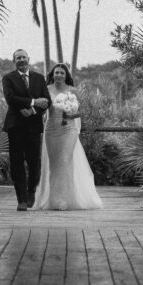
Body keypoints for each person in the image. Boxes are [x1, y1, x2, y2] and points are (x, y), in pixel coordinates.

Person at [33, 63, 102, 211]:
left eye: (62, 73)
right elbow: (41, 108)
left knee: (65, 160)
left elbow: (79, 113)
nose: (59, 75)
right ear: (52, 74)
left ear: (66, 75)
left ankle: (66, 200)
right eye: (56, 73)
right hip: (51, 129)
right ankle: (53, 199)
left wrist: (69, 112)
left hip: (69, 130)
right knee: (54, 164)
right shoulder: (46, 89)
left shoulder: (73, 91)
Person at [2, 49, 51, 211]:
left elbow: (47, 101)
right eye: (18, 58)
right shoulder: (8, 78)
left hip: (34, 126)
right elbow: (11, 99)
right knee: (17, 163)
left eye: (23, 57)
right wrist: (33, 102)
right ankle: (21, 199)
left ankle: (31, 192)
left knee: (34, 162)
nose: (21, 60)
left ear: (28, 59)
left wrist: (33, 109)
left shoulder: (39, 78)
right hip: (15, 126)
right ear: (13, 61)